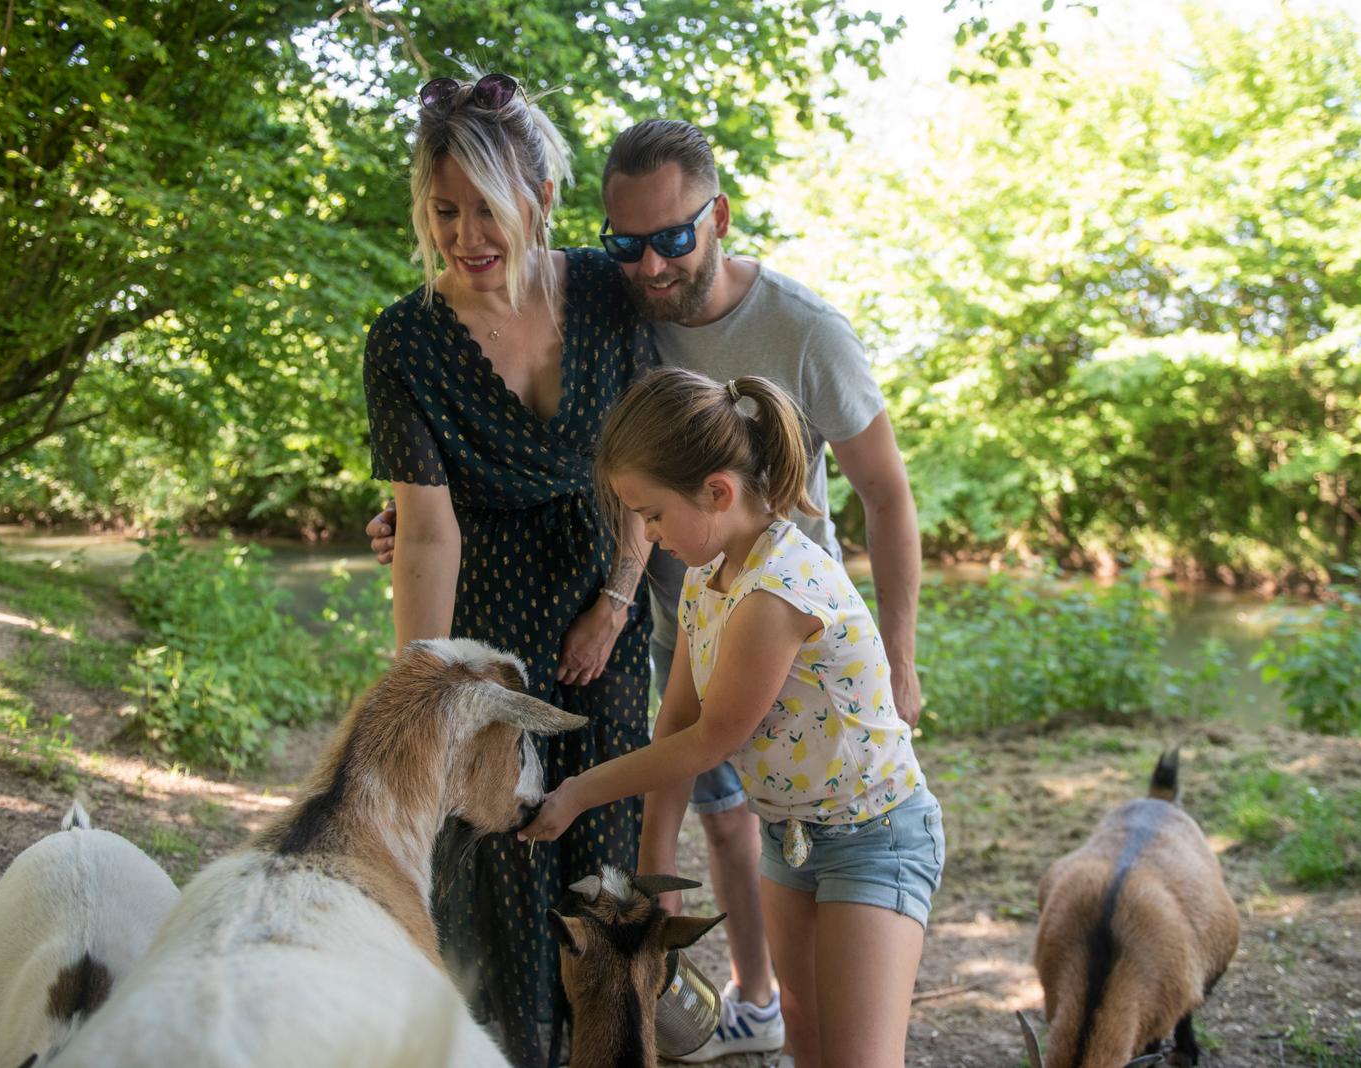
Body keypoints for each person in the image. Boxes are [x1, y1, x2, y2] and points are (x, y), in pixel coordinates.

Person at [370, 117, 923, 1063]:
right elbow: (439, 516)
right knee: (660, 826)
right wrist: (422, 678)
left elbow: (884, 491)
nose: (652, 264)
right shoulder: (603, 305)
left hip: (748, 679)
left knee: (669, 824)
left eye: (672, 239)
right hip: (629, 620)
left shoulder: (774, 335)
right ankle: (710, 1005)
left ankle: (680, 1009)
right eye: (629, 244)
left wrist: (903, 668)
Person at [519, 369, 945, 1068]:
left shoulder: (774, 594)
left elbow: (711, 739)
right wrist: (654, 867)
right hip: (789, 838)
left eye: (652, 514)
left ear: (717, 491)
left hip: (876, 837)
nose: (649, 536)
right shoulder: (706, 579)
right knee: (807, 1043)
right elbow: (675, 719)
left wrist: (576, 794)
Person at [361, 70, 652, 1068]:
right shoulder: (403, 341)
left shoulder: (611, 297)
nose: (465, 234)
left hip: (602, 606)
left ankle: (612, 1049)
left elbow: (644, 465)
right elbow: (428, 534)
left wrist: (616, 603)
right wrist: (421, 699)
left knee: (603, 860)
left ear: (541, 200)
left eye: (487, 207)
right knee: (495, 865)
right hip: (485, 622)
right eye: (444, 209)